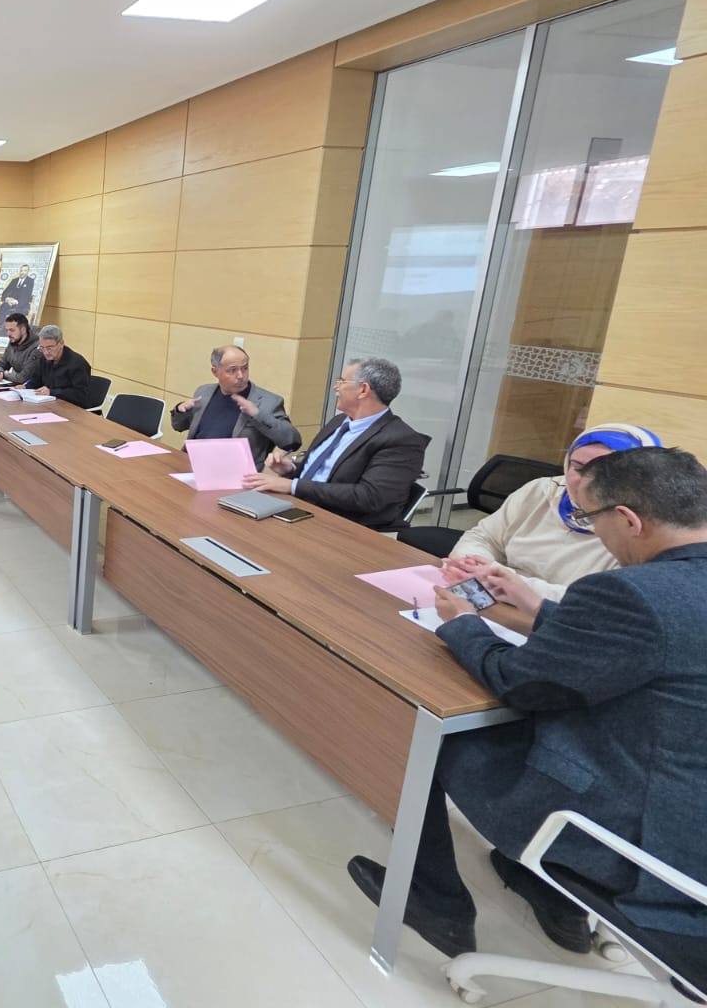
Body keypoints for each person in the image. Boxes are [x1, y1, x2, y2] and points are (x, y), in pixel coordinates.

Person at [346, 447, 707, 991]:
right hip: (685, 801)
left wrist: (461, 624)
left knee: (416, 728)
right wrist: (532, 605)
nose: (595, 532)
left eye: (592, 519)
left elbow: (521, 683)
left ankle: (435, 901)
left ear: (629, 519)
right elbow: (643, 646)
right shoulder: (671, 591)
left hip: (647, 849)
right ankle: (537, 886)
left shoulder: (633, 592)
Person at [439, 423, 663, 605]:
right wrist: (470, 566)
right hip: (493, 600)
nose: (585, 481)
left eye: (604, 472)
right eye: (578, 467)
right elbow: (484, 537)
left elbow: (598, 604)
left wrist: (499, 579)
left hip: (563, 622)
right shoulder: (541, 491)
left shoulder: (637, 527)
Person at [242, 357, 426, 531]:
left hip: (341, 526)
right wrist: (290, 469)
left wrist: (291, 486)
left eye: (342, 382)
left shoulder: (401, 441)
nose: (335, 387)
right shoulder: (339, 422)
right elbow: (324, 473)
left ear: (363, 390)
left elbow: (368, 496)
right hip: (298, 508)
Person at [169, 344, 301, 470]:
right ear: (215, 372)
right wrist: (180, 410)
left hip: (235, 475)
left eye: (245, 368)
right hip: (192, 466)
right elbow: (178, 426)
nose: (240, 376)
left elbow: (292, 442)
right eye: (232, 370)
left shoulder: (268, 402)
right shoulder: (204, 391)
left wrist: (257, 414)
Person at [25, 324, 94, 407]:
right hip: (49, 404)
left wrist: (52, 392)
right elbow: (36, 380)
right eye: (42, 348)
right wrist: (25, 387)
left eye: (49, 348)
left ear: (61, 343)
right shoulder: (44, 359)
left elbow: (81, 395)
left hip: (71, 408)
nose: (46, 352)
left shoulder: (77, 364)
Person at [0, 313, 39, 384]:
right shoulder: (14, 341)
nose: (8, 334)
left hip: (33, 387)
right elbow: (1, 364)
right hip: (16, 385)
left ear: (23, 330)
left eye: (12, 330)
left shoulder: (37, 347)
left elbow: (23, 378)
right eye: (7, 330)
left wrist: (4, 374)